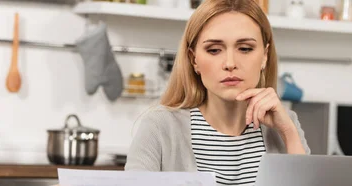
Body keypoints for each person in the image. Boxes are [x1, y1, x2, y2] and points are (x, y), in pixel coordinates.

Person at [124, 0, 311, 185]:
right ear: (194, 59)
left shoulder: (287, 124)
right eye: (214, 50)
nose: (230, 63)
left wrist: (288, 133)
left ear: (264, 56)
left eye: (245, 49)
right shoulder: (159, 127)